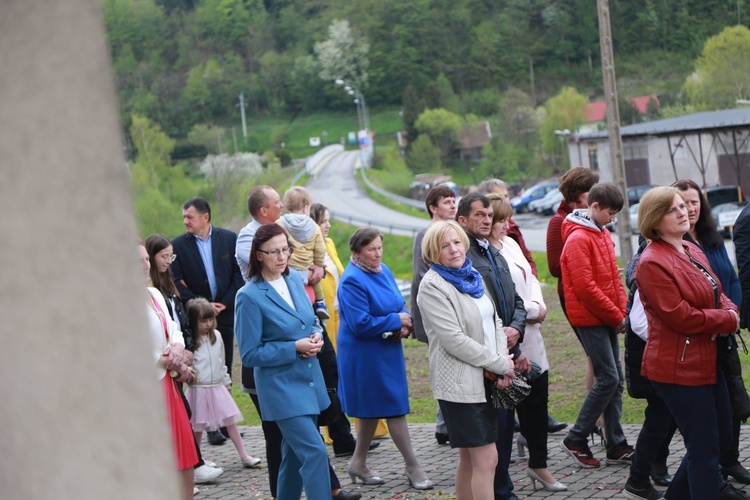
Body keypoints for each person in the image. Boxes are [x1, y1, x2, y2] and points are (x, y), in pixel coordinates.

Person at [636, 186, 740, 499]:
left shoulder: (691, 248)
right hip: (677, 367)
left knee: (717, 442)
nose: (683, 212)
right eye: (673, 209)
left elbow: (716, 291)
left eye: (683, 206)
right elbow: (680, 316)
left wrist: (730, 310)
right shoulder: (651, 262)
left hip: (709, 360)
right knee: (705, 451)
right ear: (654, 220)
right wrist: (726, 320)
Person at [417, 220, 515, 499]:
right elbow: (454, 340)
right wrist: (499, 364)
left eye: (457, 242)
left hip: (487, 378)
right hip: (459, 385)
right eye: (444, 246)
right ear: (433, 253)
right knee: (487, 460)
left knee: (470, 459)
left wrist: (501, 362)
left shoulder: (471, 276)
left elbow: (494, 320)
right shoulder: (432, 286)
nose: (453, 250)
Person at [235, 223, 332, 499]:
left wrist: (316, 336)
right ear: (258, 255)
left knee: (292, 458)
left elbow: (310, 319)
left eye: (285, 250)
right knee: (314, 452)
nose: (281, 257)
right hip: (280, 389)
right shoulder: (249, 297)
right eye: (274, 252)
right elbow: (250, 354)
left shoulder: (293, 280)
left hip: (309, 382)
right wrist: (293, 347)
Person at [336, 227, 433, 490]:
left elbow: (397, 303)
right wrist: (395, 321)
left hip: (387, 348)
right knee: (393, 406)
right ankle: (413, 466)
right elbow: (360, 323)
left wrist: (404, 323)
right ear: (356, 252)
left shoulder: (384, 269)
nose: (377, 254)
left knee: (372, 409)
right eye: (371, 250)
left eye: (380, 248)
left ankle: (358, 462)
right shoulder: (352, 279)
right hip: (364, 354)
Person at [486, 193, 567, 492]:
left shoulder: (510, 244)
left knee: (537, 403)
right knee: (506, 416)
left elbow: (531, 279)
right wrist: (531, 312)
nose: (507, 225)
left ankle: (539, 465)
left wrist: (538, 305)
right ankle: (500, 481)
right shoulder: (485, 254)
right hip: (510, 338)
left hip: (532, 335)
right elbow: (502, 298)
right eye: (501, 220)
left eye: (508, 218)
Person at [672, 179, 750, 486]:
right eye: (681, 203)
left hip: (724, 332)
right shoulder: (666, 248)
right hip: (696, 339)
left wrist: (732, 313)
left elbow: (730, 278)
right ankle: (651, 467)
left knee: (733, 402)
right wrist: (718, 318)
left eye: (693, 202)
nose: (689, 209)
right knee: (692, 424)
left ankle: (728, 461)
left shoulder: (710, 238)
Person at [457, 192, 529, 500]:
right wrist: (502, 337)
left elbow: (516, 300)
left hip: (507, 350)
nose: (487, 220)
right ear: (462, 221)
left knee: (503, 428)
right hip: (486, 356)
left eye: (489, 215)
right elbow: (477, 313)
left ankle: (502, 489)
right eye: (479, 216)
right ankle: (501, 492)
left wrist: (517, 328)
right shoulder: (464, 257)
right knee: (491, 435)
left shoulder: (495, 253)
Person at [559, 183, 633, 468]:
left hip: (607, 316)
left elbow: (613, 278)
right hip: (591, 319)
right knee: (608, 379)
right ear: (595, 207)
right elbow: (586, 288)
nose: (612, 219)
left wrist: (622, 310)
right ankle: (575, 438)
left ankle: (615, 444)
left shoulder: (601, 233)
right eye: (610, 213)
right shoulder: (579, 238)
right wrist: (616, 316)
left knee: (616, 380)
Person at [145, 234, 225, 486]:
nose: (168, 261)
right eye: (163, 256)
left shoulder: (158, 291)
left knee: (182, 426)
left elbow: (174, 322)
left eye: (171, 256)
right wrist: (165, 359)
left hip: (173, 367)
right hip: (157, 373)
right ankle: (192, 465)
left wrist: (182, 347)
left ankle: (195, 463)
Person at [309, 203, 384, 458]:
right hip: (325, 316)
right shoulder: (308, 249)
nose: (327, 225)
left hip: (340, 313)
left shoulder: (328, 244)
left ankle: (359, 431)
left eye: (328, 220)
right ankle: (338, 433)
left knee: (347, 373)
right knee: (332, 373)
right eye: (322, 221)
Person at [171, 197, 244, 446]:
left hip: (224, 313)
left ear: (205, 217)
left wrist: (224, 302)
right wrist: (203, 305)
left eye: (189, 217)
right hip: (196, 317)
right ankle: (210, 427)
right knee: (202, 370)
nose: (185, 221)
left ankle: (225, 421)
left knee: (223, 365)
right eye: (184, 217)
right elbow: (177, 281)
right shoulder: (178, 246)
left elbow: (238, 273)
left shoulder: (228, 239)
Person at [140, 242, 198, 500]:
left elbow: (173, 327)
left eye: (145, 260)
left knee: (184, 454)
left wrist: (176, 347)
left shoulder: (153, 293)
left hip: (169, 383)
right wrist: (160, 359)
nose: (144, 266)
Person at [546, 166, 599, 429]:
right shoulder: (559, 221)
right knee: (595, 356)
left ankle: (600, 422)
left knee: (596, 358)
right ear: (577, 194)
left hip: (590, 292)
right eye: (591, 191)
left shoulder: (590, 217)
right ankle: (596, 421)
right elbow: (555, 267)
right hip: (573, 295)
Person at [185, 297, 261, 469]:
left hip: (217, 387)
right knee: (197, 426)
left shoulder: (217, 336)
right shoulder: (190, 341)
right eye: (203, 321)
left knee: (230, 422)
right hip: (198, 389)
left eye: (210, 319)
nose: (207, 324)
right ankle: (198, 460)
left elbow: (222, 362)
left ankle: (244, 455)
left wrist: (226, 383)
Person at [409, 184, 457, 445]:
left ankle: (445, 425)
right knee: (443, 363)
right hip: (436, 312)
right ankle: (444, 424)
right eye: (446, 201)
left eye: (454, 200)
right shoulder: (424, 234)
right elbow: (420, 275)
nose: (452, 205)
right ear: (433, 208)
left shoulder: (455, 231)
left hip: (455, 310)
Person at [277, 186, 329, 319]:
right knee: (316, 284)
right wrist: (318, 264)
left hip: (288, 268)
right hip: (307, 268)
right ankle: (320, 303)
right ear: (306, 208)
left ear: (288, 207)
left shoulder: (279, 224)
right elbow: (320, 249)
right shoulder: (315, 227)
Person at [477, 178, 537, 278]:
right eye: (499, 196)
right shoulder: (483, 247)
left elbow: (527, 260)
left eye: (506, 196)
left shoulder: (512, 229)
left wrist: (532, 281)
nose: (503, 200)